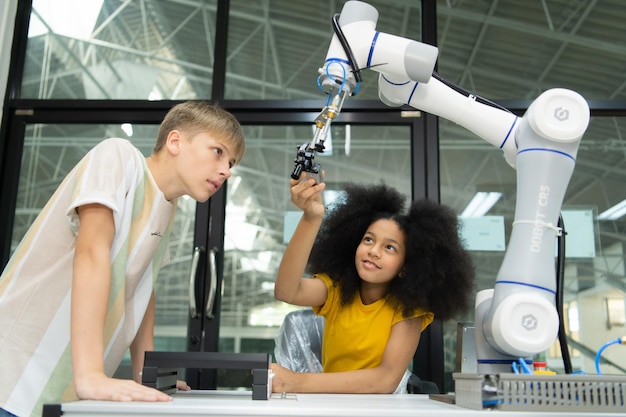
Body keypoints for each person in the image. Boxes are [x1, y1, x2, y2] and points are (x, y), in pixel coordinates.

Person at [0, 101, 246, 417]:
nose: (226, 170)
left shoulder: (167, 207)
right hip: (13, 375)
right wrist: (90, 376)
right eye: (218, 152)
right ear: (175, 142)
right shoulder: (118, 156)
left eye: (232, 162)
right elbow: (92, 254)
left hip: (60, 391)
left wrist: (148, 373)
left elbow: (143, 288)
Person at [270, 177, 475, 394]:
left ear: (406, 267)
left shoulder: (408, 310)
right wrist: (312, 217)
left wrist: (294, 382)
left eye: (390, 247)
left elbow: (385, 380)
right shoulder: (336, 291)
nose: (374, 251)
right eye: (368, 239)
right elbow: (287, 291)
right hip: (329, 405)